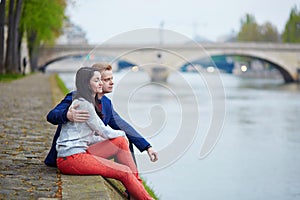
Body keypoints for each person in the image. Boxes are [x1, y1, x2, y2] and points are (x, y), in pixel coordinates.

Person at [56, 67, 153, 200]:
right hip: (70, 158)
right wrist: (122, 135)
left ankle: (136, 189)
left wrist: (143, 145)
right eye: (97, 80)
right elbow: (102, 130)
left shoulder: (89, 102)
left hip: (80, 152)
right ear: (86, 84)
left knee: (120, 142)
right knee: (124, 171)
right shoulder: (83, 103)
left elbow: (99, 133)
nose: (101, 83)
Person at [44, 63, 158, 167]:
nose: (112, 82)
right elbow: (51, 115)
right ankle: (131, 180)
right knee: (120, 142)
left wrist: (147, 147)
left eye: (112, 78)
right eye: (107, 79)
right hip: (70, 153)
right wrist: (67, 115)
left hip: (91, 148)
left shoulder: (106, 103)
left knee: (124, 139)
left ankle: (133, 181)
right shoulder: (76, 98)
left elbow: (124, 126)